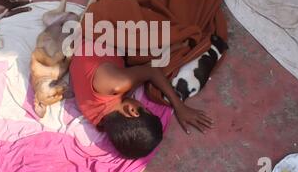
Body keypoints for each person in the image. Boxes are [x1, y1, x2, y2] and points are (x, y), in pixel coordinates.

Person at [69, 40, 213, 159]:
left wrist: (179, 106)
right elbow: (147, 71)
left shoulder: (117, 84)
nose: (142, 104)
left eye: (146, 108)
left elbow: (151, 71)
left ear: (131, 111)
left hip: (98, 38)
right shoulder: (99, 119)